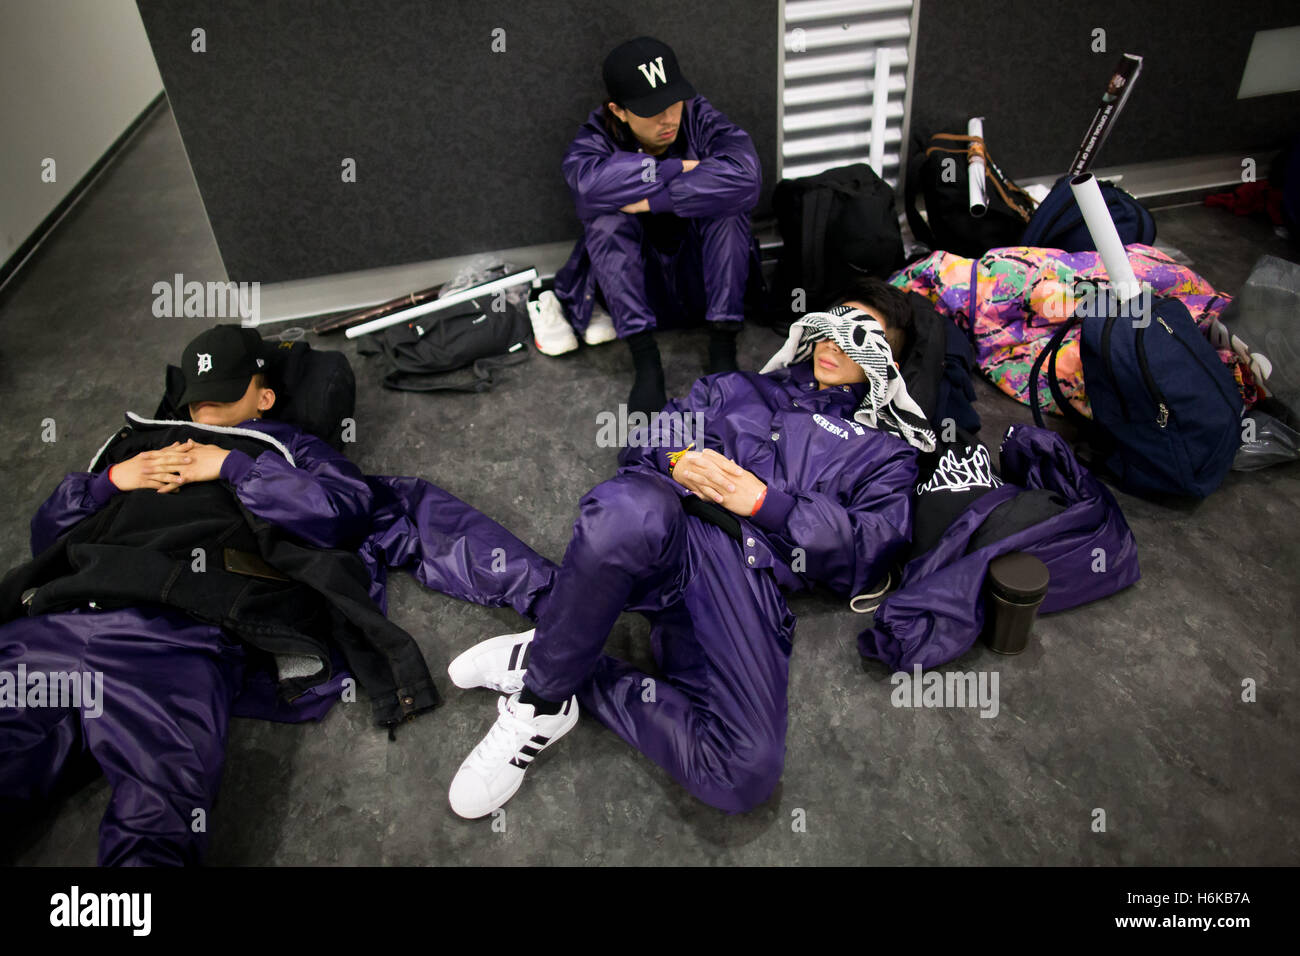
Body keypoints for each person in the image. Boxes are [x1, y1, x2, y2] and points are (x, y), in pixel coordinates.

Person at [0, 324, 553, 865]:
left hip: (173, 633)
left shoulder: (286, 449)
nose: (205, 416)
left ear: (264, 397)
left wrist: (235, 467)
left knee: (155, 825)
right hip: (54, 617)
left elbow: (345, 513)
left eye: (221, 398)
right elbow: (48, 539)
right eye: (196, 404)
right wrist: (108, 482)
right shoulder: (136, 444)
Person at [447, 279, 934, 817]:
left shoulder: (885, 453)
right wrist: (678, 460)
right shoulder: (738, 388)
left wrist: (768, 504)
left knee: (741, 774)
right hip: (670, 523)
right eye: (831, 325)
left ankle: (561, 660)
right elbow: (651, 437)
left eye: (858, 337)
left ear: (886, 359)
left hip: (746, 578)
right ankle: (539, 703)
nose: (833, 344)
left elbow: (870, 548)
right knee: (624, 512)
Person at [538, 36, 762, 416]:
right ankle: (646, 363)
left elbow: (746, 178)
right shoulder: (595, 138)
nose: (669, 118)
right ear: (619, 111)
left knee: (728, 207)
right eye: (651, 110)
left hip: (704, 287)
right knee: (605, 217)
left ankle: (723, 350)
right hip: (640, 295)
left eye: (673, 102)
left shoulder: (698, 115)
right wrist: (684, 169)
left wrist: (654, 197)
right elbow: (589, 190)